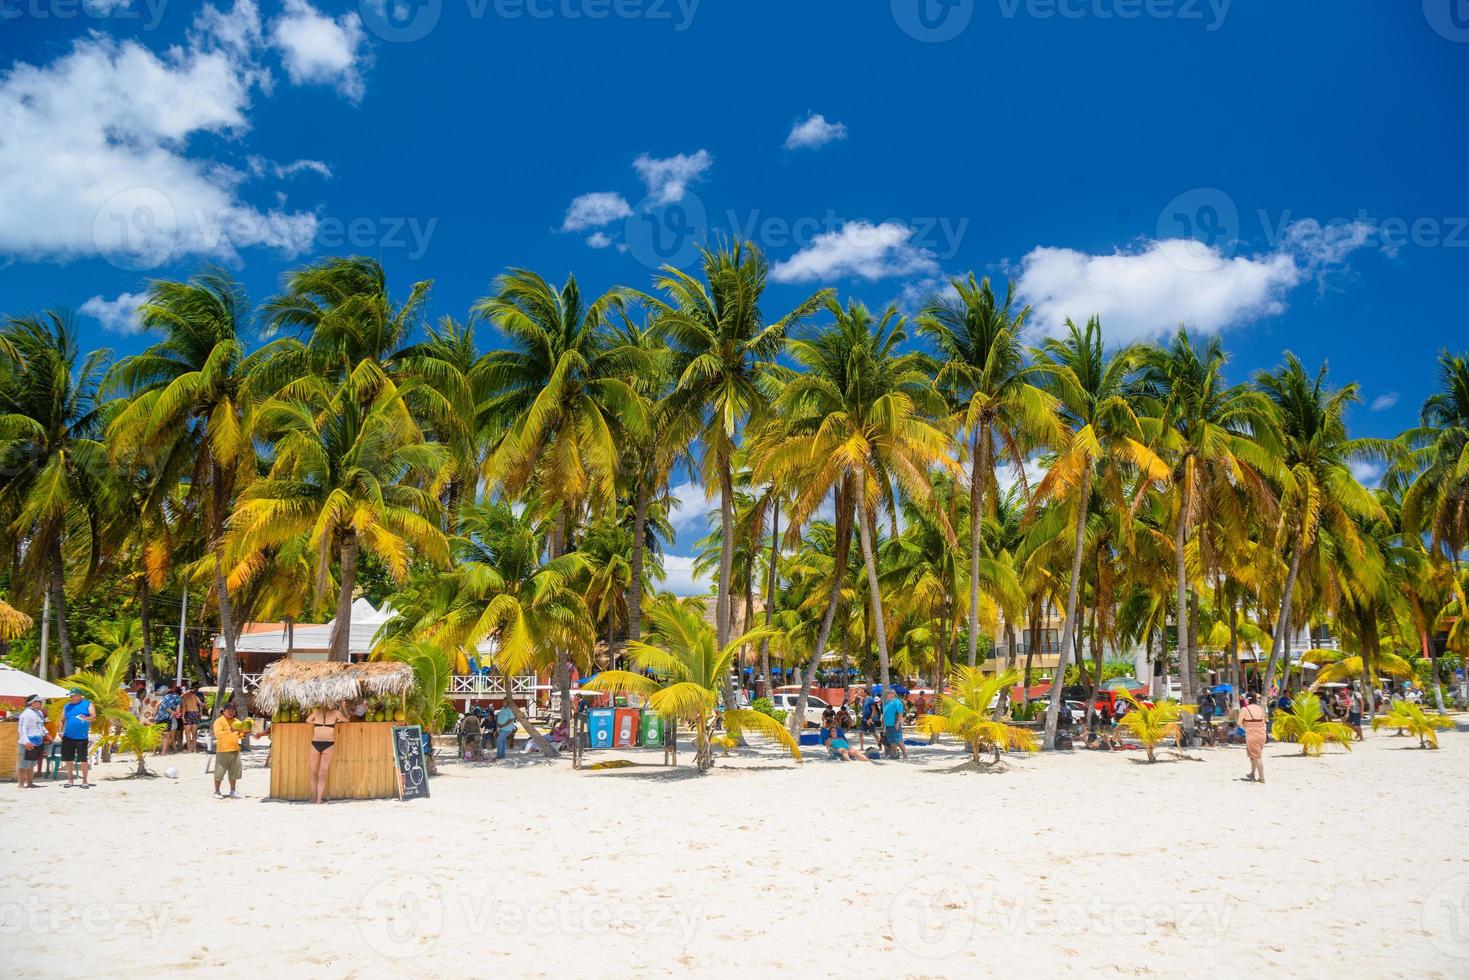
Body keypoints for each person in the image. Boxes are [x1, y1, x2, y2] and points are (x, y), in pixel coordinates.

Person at [305, 701, 350, 804]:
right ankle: (319, 800)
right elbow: (347, 720)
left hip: (315, 743)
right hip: (328, 744)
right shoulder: (336, 712)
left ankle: (313, 798)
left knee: (313, 773)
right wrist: (344, 708)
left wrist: (316, 723)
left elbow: (307, 720)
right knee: (323, 773)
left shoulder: (316, 712)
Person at [60, 688, 93, 788]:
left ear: (79, 695)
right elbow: (62, 720)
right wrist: (59, 731)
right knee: (68, 759)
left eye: (73, 695)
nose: (71, 697)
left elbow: (93, 716)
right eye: (70, 695)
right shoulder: (67, 706)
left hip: (81, 737)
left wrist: (86, 718)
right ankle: (70, 780)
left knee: (83, 760)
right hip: (68, 737)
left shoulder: (87, 704)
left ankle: (85, 781)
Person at [212, 703, 246, 798]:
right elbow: (218, 734)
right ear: (224, 711)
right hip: (223, 750)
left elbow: (239, 735)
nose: (231, 713)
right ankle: (217, 791)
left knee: (234, 772)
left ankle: (233, 791)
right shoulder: (219, 721)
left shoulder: (237, 721)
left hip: (235, 749)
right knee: (219, 771)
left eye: (233, 711)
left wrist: (244, 734)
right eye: (229, 711)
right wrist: (230, 730)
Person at [16, 695, 48, 788]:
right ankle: (21, 784)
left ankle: (30, 783)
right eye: (38, 701)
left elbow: (40, 725)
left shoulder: (39, 713)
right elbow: (22, 729)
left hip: (37, 741)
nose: (40, 703)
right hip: (27, 742)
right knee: (23, 764)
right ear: (32, 703)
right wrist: (26, 742)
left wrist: (46, 734)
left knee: (31, 764)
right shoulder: (25, 714)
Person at [1240, 693, 1267, 783]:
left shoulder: (1245, 709)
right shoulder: (1261, 709)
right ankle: (1252, 773)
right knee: (1254, 756)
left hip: (1251, 735)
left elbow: (1238, 723)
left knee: (1257, 757)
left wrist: (1246, 725)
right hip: (1262, 734)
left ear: (1247, 700)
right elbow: (1264, 721)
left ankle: (1262, 777)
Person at [881, 689, 908, 760]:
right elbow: (884, 714)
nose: (889, 695)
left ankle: (905, 755)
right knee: (891, 741)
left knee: (898, 740)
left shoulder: (897, 702)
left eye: (891, 694)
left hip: (895, 724)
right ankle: (893, 755)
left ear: (894, 694)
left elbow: (900, 713)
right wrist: (884, 725)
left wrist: (897, 723)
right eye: (888, 694)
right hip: (888, 725)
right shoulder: (886, 702)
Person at [154, 684, 180, 754]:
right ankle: (163, 752)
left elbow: (157, 706)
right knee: (166, 736)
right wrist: (174, 713)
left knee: (157, 736)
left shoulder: (163, 698)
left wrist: (154, 716)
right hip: (168, 718)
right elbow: (178, 711)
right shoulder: (177, 697)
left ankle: (153, 752)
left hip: (159, 718)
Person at [180, 685, 203, 753]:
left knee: (187, 733)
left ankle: (189, 749)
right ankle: (195, 749)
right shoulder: (195, 696)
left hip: (188, 713)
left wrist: (183, 716)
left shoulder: (184, 696)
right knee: (194, 733)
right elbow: (200, 704)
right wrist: (200, 713)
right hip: (195, 713)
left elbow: (184, 706)